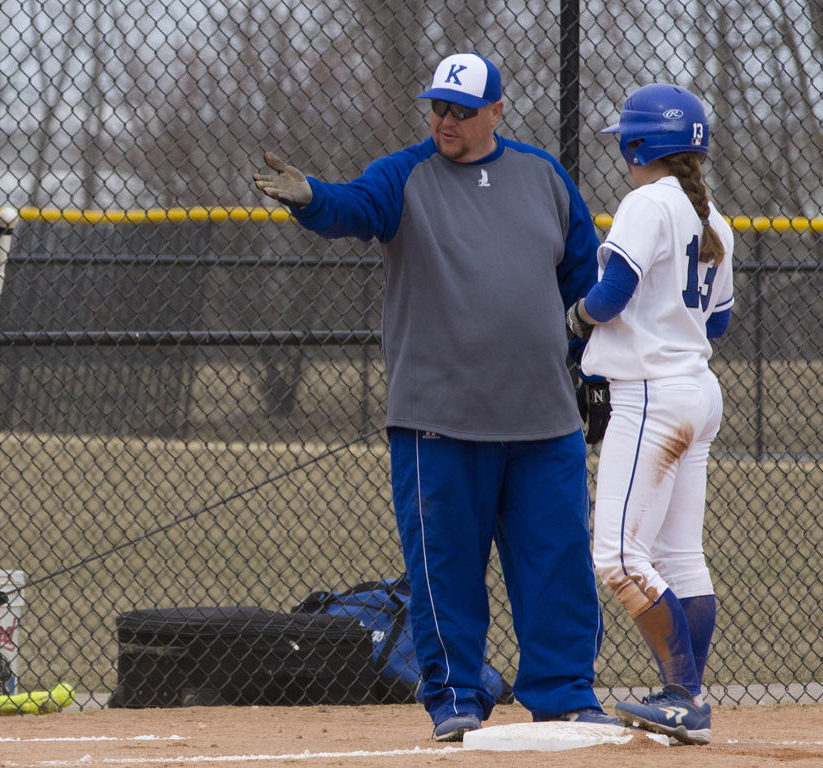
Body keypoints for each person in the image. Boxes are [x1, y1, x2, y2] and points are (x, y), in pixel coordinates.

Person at [253, 52, 619, 741]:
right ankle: (454, 698)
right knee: (445, 571)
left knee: (558, 563)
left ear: (496, 112)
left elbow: (582, 282)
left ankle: (565, 692)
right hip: (439, 422)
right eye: (437, 107)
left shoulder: (543, 176)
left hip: (542, 420)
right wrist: (312, 199)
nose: (444, 120)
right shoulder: (405, 175)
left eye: (460, 109)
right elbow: (353, 209)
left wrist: (591, 365)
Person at [565, 83, 734, 746]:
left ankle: (684, 696)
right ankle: (684, 695)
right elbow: (715, 320)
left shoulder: (646, 202)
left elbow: (609, 296)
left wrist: (574, 321)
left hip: (651, 396)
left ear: (639, 146)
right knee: (679, 555)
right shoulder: (713, 218)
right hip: (697, 389)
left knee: (618, 557)